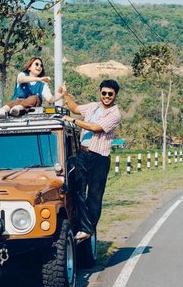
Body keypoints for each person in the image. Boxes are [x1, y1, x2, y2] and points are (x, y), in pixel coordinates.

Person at [60, 79, 121, 243]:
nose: (107, 96)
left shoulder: (115, 114)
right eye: (104, 93)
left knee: (94, 195)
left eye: (110, 94)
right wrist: (65, 94)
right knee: (78, 190)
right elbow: (74, 108)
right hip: (83, 153)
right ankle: (83, 228)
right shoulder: (93, 106)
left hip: (99, 157)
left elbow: (95, 128)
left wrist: (73, 120)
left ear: (115, 95)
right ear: (100, 93)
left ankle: (88, 229)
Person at [0, 57, 64, 118]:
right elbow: (21, 79)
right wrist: (39, 79)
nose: (39, 67)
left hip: (30, 110)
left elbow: (50, 99)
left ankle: (18, 108)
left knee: (35, 98)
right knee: (19, 100)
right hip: (15, 105)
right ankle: (3, 110)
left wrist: (61, 95)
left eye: (41, 65)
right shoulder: (22, 75)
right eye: (37, 64)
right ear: (29, 67)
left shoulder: (42, 84)